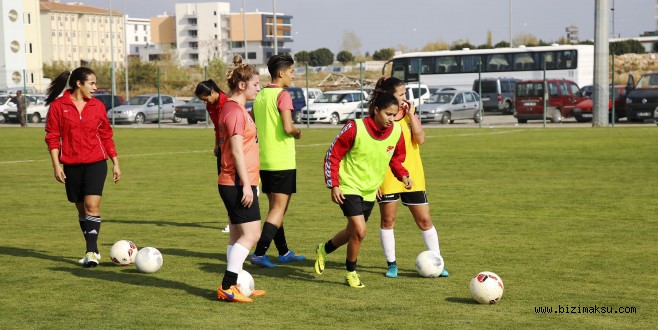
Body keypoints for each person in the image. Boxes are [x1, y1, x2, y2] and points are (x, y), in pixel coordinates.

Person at [315, 92, 412, 288]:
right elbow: (332, 155)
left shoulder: (396, 132)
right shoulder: (354, 127)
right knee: (360, 230)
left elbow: (395, 159)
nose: (391, 119)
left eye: (394, 115)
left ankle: (323, 249)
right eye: (388, 114)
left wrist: (402, 174)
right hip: (348, 186)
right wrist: (334, 185)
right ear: (376, 110)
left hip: (370, 190)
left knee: (352, 231)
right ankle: (351, 273)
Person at [44, 67, 121, 267]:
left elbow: (106, 135)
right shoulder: (58, 106)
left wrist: (115, 163)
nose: (95, 88)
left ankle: (91, 252)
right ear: (79, 83)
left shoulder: (97, 106)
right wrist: (56, 166)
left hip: (96, 163)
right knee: (81, 210)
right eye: (92, 83)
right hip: (70, 166)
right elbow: (52, 137)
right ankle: (93, 248)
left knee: (92, 207)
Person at [374, 77, 449, 278]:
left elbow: (421, 139)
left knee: (425, 220)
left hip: (413, 174)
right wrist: (375, 181)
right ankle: (392, 265)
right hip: (387, 176)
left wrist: (411, 115)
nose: (405, 97)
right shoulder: (381, 116)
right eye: (401, 94)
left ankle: (438, 262)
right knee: (388, 220)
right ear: (390, 96)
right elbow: (373, 150)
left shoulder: (410, 114)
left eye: (405, 94)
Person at [215, 55, 266, 303]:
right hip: (236, 182)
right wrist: (247, 184)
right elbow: (236, 150)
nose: (259, 88)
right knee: (252, 234)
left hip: (238, 181)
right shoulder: (234, 110)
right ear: (242, 85)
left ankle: (234, 284)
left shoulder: (235, 108)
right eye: (256, 84)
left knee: (236, 236)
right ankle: (227, 285)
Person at [249, 54, 305, 268]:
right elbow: (288, 127)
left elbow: (252, 121)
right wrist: (298, 132)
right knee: (278, 209)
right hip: (281, 160)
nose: (293, 75)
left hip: (264, 160)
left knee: (276, 208)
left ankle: (283, 252)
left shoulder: (261, 95)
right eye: (292, 71)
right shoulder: (283, 95)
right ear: (281, 73)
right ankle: (259, 253)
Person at [194, 79, 231, 233]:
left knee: (232, 185)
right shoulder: (210, 105)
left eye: (206, 98)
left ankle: (235, 221)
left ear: (213, 92)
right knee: (223, 185)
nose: (206, 102)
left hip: (232, 147)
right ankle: (232, 219)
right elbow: (217, 127)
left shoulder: (228, 103)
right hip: (222, 147)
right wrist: (217, 144)